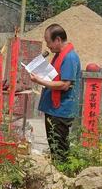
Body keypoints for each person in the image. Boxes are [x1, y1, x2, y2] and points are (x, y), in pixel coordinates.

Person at [29, 24, 81, 163]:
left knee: (59, 149)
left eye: (48, 42)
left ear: (57, 40)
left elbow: (64, 84)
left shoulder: (69, 57)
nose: (48, 46)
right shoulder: (58, 55)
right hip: (54, 109)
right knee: (54, 146)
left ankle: (63, 177)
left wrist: (40, 81)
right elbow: (54, 77)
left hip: (61, 111)